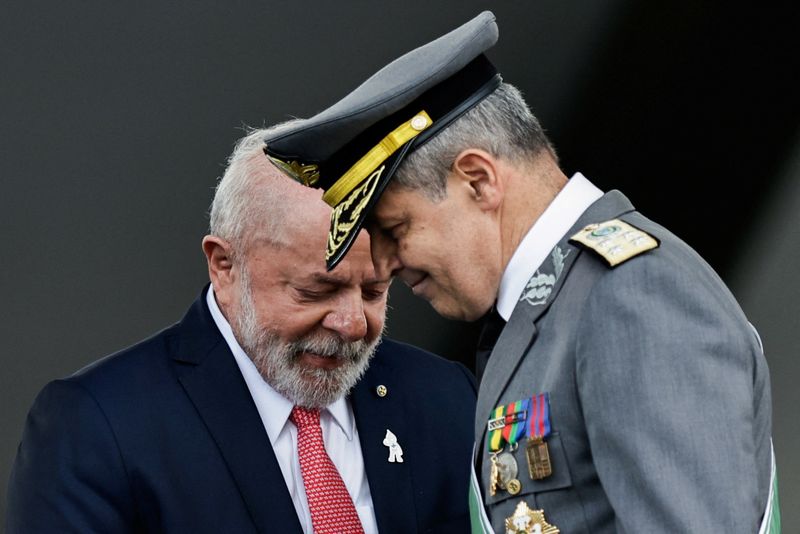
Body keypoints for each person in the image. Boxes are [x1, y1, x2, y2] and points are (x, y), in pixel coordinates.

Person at [261, 11, 780, 533]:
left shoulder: (633, 295)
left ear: (479, 181)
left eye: (396, 229)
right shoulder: (560, 304)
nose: (384, 266)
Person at [6, 127, 478, 533]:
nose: (354, 324)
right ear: (224, 266)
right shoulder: (97, 427)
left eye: (375, 291)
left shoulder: (446, 398)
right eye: (316, 291)